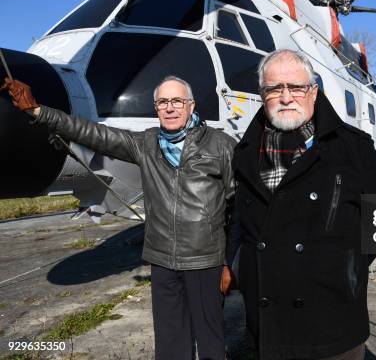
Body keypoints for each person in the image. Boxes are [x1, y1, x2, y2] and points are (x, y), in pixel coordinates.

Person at [2, 75, 236, 360]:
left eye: (177, 101)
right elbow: (94, 134)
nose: (170, 108)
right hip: (162, 261)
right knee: (171, 344)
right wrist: (38, 111)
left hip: (205, 261)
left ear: (191, 105)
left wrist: (229, 262)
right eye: (163, 102)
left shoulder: (221, 145)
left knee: (211, 342)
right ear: (156, 107)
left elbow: (237, 207)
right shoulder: (146, 143)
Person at [231, 49, 376, 359]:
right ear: (262, 94)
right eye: (274, 88)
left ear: (313, 92)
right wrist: (238, 266)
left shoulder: (352, 146)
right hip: (268, 319)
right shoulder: (245, 152)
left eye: (296, 87)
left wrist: (349, 267)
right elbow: (239, 219)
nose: (286, 97)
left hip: (333, 317)